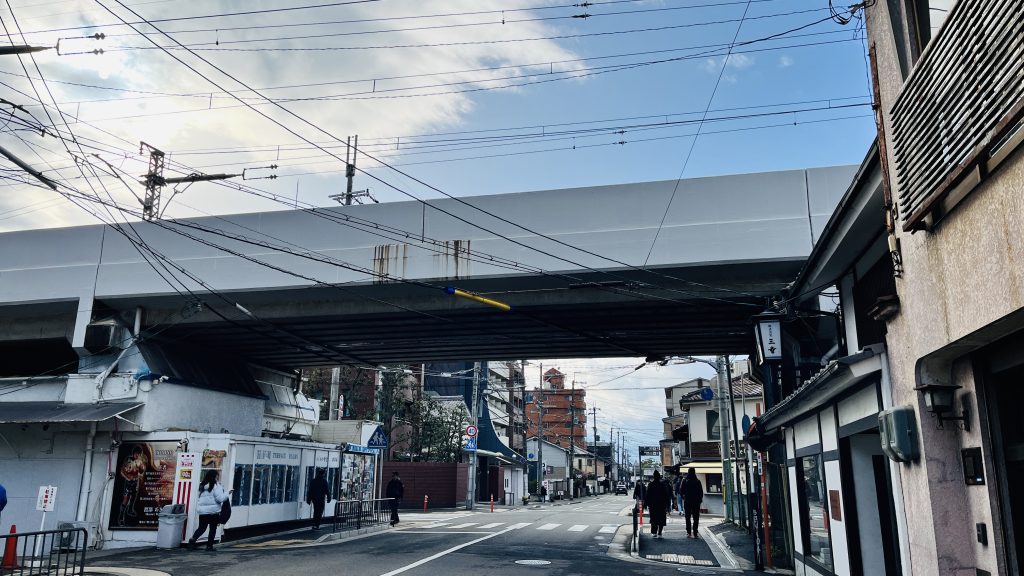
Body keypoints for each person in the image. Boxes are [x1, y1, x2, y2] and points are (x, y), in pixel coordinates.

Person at [189, 470, 229, 551]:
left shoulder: (202, 486)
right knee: (213, 529)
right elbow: (220, 499)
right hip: (213, 512)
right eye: (217, 475)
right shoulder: (216, 486)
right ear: (214, 476)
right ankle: (209, 546)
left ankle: (192, 541)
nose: (218, 477)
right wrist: (227, 493)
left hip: (203, 512)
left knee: (201, 528)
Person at [644, 471, 671, 538]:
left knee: (653, 518)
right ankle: (659, 532)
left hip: (652, 505)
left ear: (653, 476)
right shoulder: (662, 484)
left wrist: (646, 504)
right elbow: (666, 495)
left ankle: (654, 532)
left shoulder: (651, 484)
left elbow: (647, 495)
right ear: (659, 477)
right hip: (661, 505)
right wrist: (668, 505)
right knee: (661, 518)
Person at [682, 467, 705, 538]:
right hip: (696, 501)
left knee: (687, 517)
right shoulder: (697, 481)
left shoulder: (685, 480)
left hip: (687, 501)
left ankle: (689, 532)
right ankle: (695, 532)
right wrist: (700, 500)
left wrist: (684, 497)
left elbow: (681, 491)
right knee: (696, 517)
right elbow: (701, 492)